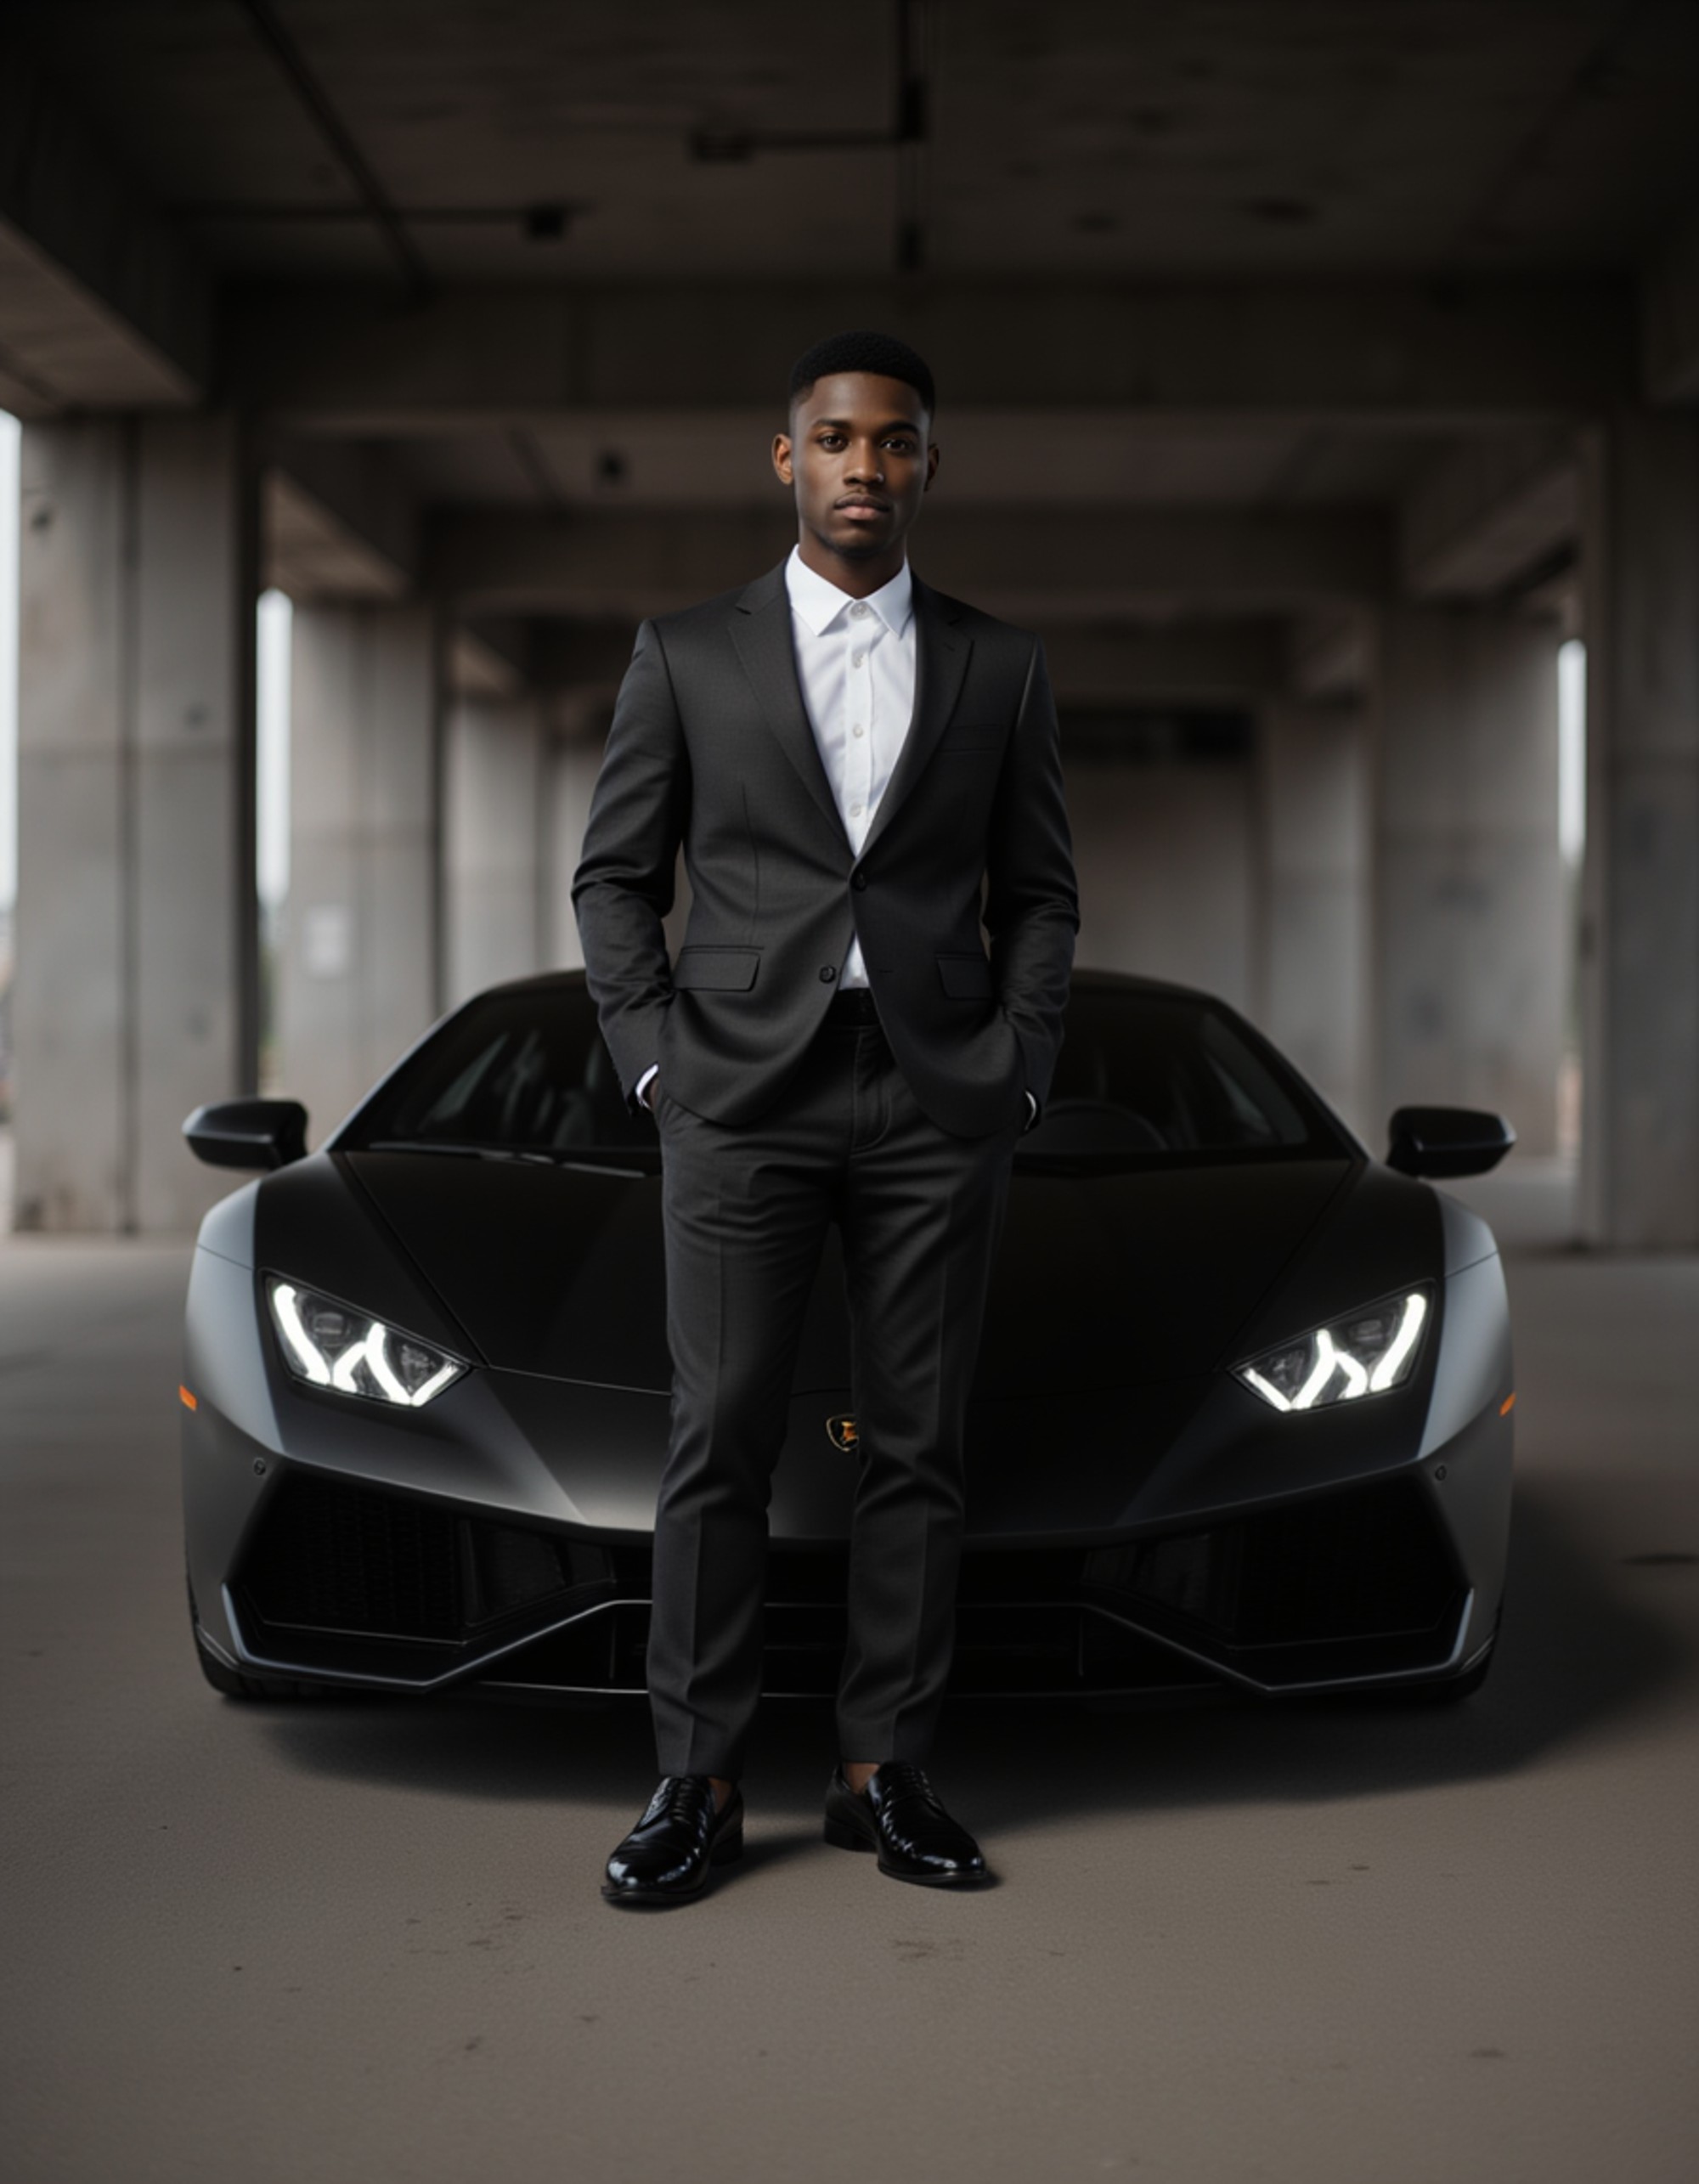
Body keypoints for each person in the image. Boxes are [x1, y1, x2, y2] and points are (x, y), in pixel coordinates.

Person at [573, 329, 1077, 1903]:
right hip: (738, 1094)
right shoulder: (686, 652)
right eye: (840, 440)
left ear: (930, 465)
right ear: (786, 459)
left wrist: (1020, 1062)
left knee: (915, 1445)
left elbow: (1045, 893)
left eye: (899, 442)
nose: (870, 466)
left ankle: (885, 1771)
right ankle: (698, 1783)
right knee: (716, 1438)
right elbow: (613, 879)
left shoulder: (999, 663)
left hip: (936, 1095)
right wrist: (659, 1061)